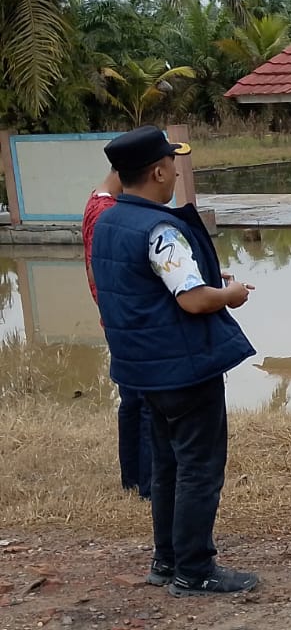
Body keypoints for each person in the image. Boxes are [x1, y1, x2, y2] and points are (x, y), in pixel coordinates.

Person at [89, 126, 260, 597]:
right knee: (199, 469)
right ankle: (195, 569)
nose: (174, 173)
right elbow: (194, 300)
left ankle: (165, 562)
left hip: (141, 371)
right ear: (160, 170)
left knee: (165, 468)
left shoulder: (108, 221)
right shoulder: (161, 230)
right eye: (172, 165)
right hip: (184, 371)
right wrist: (233, 293)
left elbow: (142, 287)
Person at [84, 171, 154, 500]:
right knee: (145, 404)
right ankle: (148, 483)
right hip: (128, 322)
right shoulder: (109, 216)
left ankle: (135, 479)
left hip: (116, 318)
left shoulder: (97, 205)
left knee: (132, 402)